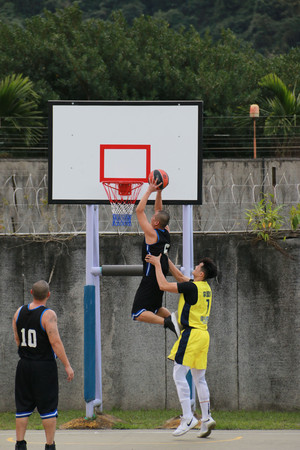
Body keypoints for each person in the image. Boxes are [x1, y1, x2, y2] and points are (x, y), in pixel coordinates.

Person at [145, 253, 218, 438]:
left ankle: (188, 417)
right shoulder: (203, 287)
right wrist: (165, 258)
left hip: (191, 334)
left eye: (197, 267)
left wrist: (157, 265)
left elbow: (163, 285)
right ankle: (206, 418)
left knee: (178, 373)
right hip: (203, 335)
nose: (194, 268)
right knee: (199, 378)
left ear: (201, 274)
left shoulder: (192, 287)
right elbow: (179, 277)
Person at [12, 280, 74, 450]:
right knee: (48, 407)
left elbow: (17, 338)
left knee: (23, 406)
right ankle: (49, 445)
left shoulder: (18, 312)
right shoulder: (48, 315)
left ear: (31, 292)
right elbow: (56, 342)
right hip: (43, 367)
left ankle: (20, 444)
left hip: (24, 365)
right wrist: (67, 365)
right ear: (48, 295)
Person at [131, 176, 180, 336]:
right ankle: (175, 322)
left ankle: (167, 321)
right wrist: (159, 193)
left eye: (153, 218)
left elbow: (139, 211)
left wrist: (149, 190)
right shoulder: (166, 231)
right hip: (161, 273)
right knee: (156, 308)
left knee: (138, 313)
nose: (151, 217)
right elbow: (159, 211)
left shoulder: (152, 234)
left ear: (156, 223)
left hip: (151, 276)